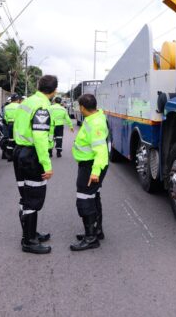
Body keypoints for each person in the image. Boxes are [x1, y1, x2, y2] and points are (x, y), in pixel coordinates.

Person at [12, 75, 57, 254]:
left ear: (39, 86)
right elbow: (39, 138)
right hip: (31, 155)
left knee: (26, 195)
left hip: (19, 151)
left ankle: (30, 233)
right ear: (54, 91)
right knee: (33, 198)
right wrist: (47, 165)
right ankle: (29, 241)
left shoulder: (27, 101)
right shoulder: (42, 106)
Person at [70, 93, 109, 252]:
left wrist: (95, 172)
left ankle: (91, 238)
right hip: (89, 165)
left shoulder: (96, 123)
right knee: (93, 196)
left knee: (84, 199)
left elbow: (101, 151)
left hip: (91, 166)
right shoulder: (94, 118)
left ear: (82, 108)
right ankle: (96, 231)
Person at [2, 94, 21, 161]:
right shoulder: (20, 106)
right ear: (17, 100)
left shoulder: (6, 107)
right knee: (18, 140)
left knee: (10, 140)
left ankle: (10, 156)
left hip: (9, 125)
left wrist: (8, 123)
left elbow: (4, 117)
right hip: (17, 124)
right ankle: (17, 155)